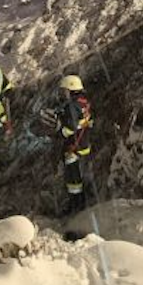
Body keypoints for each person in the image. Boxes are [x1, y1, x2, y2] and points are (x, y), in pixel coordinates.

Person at [56, 74, 94, 215]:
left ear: (71, 90)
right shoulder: (84, 102)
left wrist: (60, 133)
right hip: (84, 144)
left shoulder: (71, 106)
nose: (62, 94)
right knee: (81, 176)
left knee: (73, 179)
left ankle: (76, 205)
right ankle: (82, 201)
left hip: (73, 147)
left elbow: (71, 126)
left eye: (64, 91)